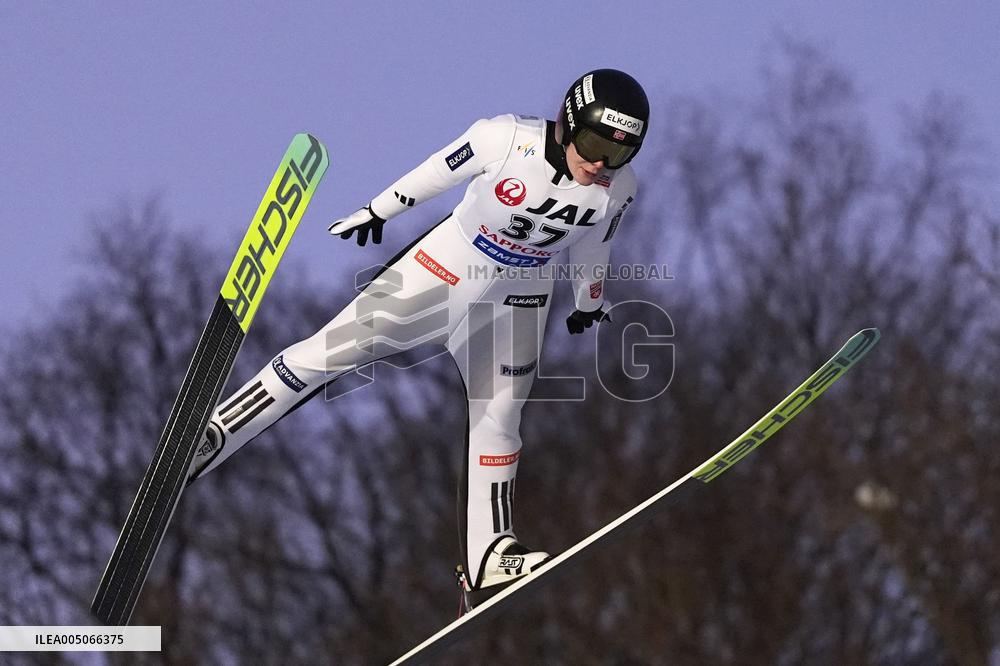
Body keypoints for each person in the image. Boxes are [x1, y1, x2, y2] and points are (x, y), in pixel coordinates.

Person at [187, 68, 648, 601]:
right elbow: (438, 171)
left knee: (500, 418)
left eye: (618, 153)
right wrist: (378, 209)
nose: (600, 163)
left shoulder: (618, 189)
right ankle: (215, 434)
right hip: (444, 271)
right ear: (567, 125)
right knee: (330, 352)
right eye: (593, 145)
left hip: (518, 301)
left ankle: (491, 551)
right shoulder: (504, 138)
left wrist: (589, 302)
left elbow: (594, 246)